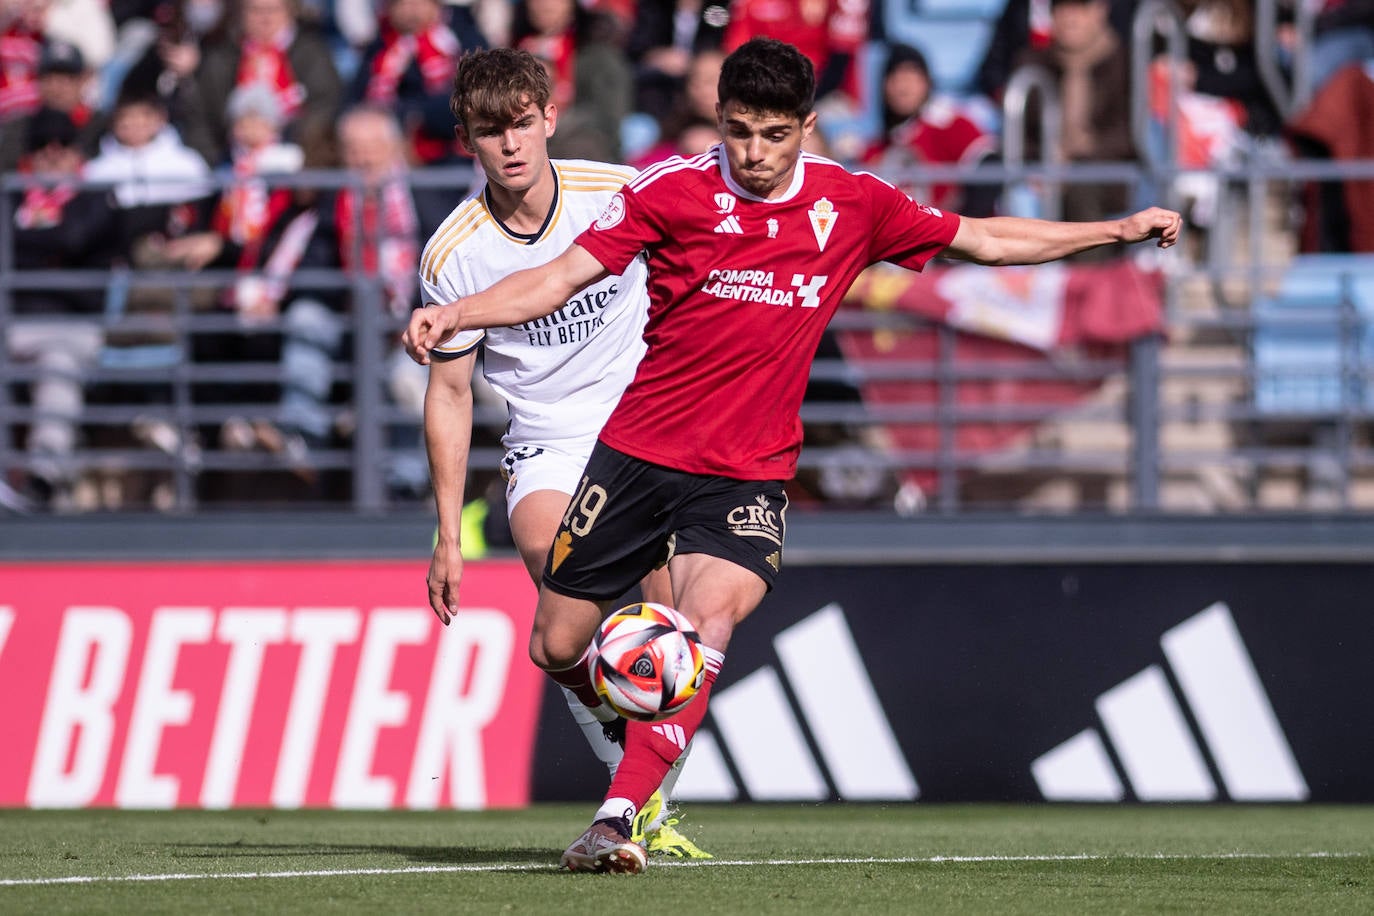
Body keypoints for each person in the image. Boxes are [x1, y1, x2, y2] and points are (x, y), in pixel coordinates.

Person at [404, 37, 1181, 874]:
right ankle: (640, 746)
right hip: (636, 454)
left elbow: (984, 240)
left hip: (749, 471)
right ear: (720, 122)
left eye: (776, 135)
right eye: (740, 132)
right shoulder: (672, 191)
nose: (756, 154)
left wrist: (1116, 229)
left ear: (807, 127)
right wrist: (461, 314)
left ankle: (619, 817)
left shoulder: (854, 204)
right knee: (557, 644)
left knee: (702, 627)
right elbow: (558, 278)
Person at [417, 46, 711, 859]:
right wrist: (447, 534)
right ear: (466, 140)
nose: (510, 144)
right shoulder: (454, 254)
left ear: (549, 118)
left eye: (521, 123)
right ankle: (627, 747)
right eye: (489, 130)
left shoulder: (614, 192)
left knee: (663, 617)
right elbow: (448, 395)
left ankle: (639, 795)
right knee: (556, 566)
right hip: (546, 442)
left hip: (643, 422)